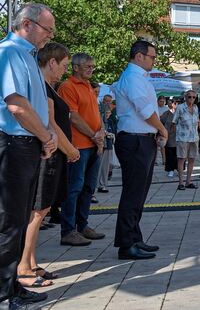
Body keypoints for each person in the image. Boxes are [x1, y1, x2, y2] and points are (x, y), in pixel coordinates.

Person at [0, 3, 58, 309]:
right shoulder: (10, 52)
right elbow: (18, 106)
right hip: (13, 143)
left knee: (19, 219)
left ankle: (11, 286)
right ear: (27, 24)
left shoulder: (27, 57)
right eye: (47, 29)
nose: (50, 36)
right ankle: (3, 293)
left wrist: (44, 138)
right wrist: (46, 135)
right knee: (9, 221)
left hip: (27, 143)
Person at [17, 43, 80, 288]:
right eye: (64, 65)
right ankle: (23, 266)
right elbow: (51, 124)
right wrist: (71, 150)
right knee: (38, 212)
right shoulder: (43, 89)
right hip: (50, 156)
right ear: (51, 62)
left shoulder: (48, 88)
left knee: (40, 211)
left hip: (52, 154)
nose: (65, 71)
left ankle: (31, 262)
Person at [113, 39, 168, 260]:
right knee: (132, 193)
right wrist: (163, 129)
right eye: (152, 57)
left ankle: (134, 237)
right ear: (139, 56)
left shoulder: (139, 77)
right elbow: (145, 111)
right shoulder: (133, 78)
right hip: (134, 140)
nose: (154, 60)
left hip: (142, 139)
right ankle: (127, 244)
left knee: (139, 194)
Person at [58, 53, 105, 246]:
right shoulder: (68, 87)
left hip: (93, 145)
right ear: (75, 67)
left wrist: (101, 132)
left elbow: (96, 114)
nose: (91, 69)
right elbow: (73, 117)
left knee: (88, 188)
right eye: (88, 66)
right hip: (78, 146)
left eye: (92, 66)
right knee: (74, 188)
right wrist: (94, 135)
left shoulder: (88, 87)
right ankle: (68, 230)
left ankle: (82, 225)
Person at [174, 90, 200, 188]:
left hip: (194, 137)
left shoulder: (196, 107)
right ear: (185, 97)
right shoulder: (180, 108)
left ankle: (188, 181)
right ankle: (181, 182)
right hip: (182, 137)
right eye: (189, 97)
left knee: (192, 159)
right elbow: (174, 122)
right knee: (181, 159)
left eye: (194, 97)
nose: (192, 99)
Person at [97, 104, 117, 193]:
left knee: (105, 167)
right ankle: (96, 186)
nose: (108, 114)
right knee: (98, 167)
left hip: (108, 145)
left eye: (109, 112)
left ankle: (103, 184)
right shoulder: (100, 121)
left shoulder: (110, 121)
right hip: (101, 145)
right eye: (106, 112)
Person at [161, 99, 177, 177]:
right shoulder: (166, 113)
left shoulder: (182, 113)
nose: (175, 105)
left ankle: (179, 169)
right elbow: (161, 122)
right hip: (169, 136)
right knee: (170, 154)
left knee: (180, 155)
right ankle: (170, 170)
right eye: (174, 103)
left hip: (180, 136)